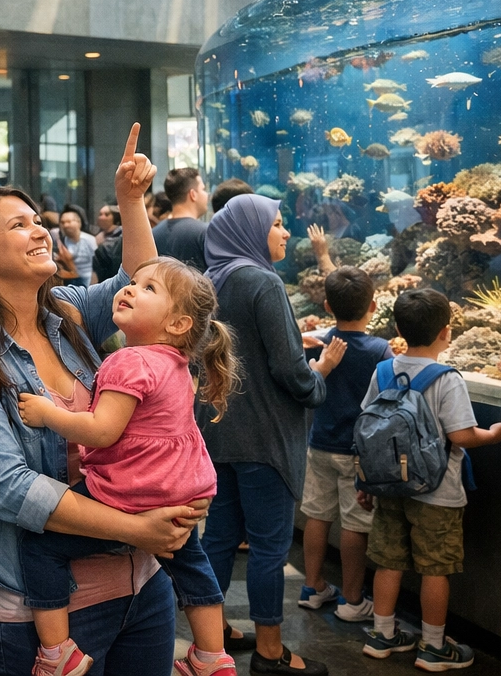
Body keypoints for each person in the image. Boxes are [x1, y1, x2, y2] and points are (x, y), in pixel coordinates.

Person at [0, 125, 209, 676]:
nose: (40, 230)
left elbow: (142, 283)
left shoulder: (68, 314)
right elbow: (9, 488)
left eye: (38, 220)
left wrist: (131, 201)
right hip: (37, 607)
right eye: (19, 225)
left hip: (139, 584)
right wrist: (137, 528)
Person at [16, 257, 241, 676]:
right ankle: (212, 657)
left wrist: (48, 414)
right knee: (191, 561)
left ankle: (57, 652)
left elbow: (101, 431)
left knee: (40, 547)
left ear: (178, 324)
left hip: (130, 491)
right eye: (133, 282)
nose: (131, 288)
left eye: (149, 289)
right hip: (179, 490)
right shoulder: (176, 365)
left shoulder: (129, 361)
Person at [200, 195, 343, 676]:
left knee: (218, 538)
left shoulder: (210, 280)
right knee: (268, 547)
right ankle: (269, 651)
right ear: (251, 229)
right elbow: (288, 370)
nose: (285, 233)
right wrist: (319, 373)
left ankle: (212, 635)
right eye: (277, 224)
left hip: (218, 434)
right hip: (265, 439)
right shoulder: (262, 280)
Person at [360, 289, 501, 671]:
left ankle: (382, 635)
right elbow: (461, 436)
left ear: (397, 329)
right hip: (437, 492)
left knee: (389, 562)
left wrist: (364, 483)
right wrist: (491, 436)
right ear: (447, 332)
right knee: (434, 568)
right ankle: (433, 646)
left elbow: (367, 428)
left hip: (388, 486)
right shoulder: (447, 379)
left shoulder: (383, 371)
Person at [298, 267, 393, 622]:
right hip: (357, 454)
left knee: (317, 516)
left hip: (320, 443)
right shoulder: (379, 349)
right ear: (373, 305)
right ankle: (353, 600)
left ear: (326, 305)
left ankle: (313, 586)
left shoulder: (319, 342)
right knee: (354, 524)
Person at [154, 168, 209, 271]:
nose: (207, 195)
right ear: (193, 194)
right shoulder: (205, 232)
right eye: (203, 189)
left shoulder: (153, 233)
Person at [53, 205, 95, 288]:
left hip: (88, 284)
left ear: (79, 222)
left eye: (69, 222)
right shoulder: (62, 241)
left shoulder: (90, 240)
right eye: (62, 222)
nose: (65, 225)